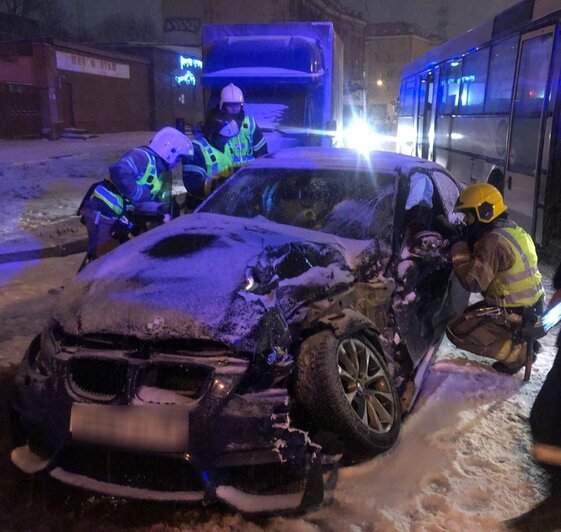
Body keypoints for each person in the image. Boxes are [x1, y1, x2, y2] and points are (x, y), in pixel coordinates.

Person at [445, 183, 546, 375]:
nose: (466, 221)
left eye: (469, 216)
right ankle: (525, 340)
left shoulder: (493, 241)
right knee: (470, 312)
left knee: (455, 330)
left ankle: (518, 355)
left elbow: (472, 282)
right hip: (534, 307)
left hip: (515, 314)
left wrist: (459, 250)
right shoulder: (516, 231)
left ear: (484, 212)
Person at [78, 126, 194, 266]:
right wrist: (140, 195)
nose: (177, 164)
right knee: (102, 258)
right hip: (103, 209)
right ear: (170, 151)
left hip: (118, 213)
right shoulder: (142, 156)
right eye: (178, 158)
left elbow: (149, 199)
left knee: (118, 258)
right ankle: (84, 285)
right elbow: (119, 172)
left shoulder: (158, 170)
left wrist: (158, 211)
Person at [182, 107, 240, 208]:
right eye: (224, 137)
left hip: (223, 203)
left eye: (229, 137)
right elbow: (193, 185)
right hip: (202, 206)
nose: (227, 140)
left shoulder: (226, 146)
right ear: (212, 133)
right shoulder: (196, 150)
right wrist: (222, 184)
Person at [218, 83, 268, 169]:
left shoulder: (250, 123)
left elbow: (261, 151)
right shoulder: (218, 125)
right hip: (227, 173)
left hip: (249, 173)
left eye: (237, 105)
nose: (234, 108)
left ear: (242, 105)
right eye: (230, 105)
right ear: (223, 106)